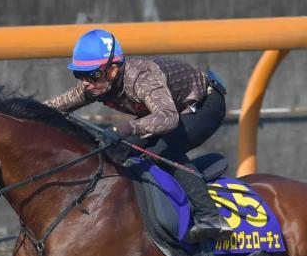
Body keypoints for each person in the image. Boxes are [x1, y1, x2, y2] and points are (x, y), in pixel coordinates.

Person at [45, 29, 230, 243]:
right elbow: (53, 107)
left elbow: (168, 118)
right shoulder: (94, 85)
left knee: (160, 150)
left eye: (92, 75)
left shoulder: (142, 78)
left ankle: (210, 216)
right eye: (79, 75)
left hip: (203, 104)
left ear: (113, 70)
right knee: (116, 149)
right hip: (168, 111)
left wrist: (126, 127)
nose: (86, 82)